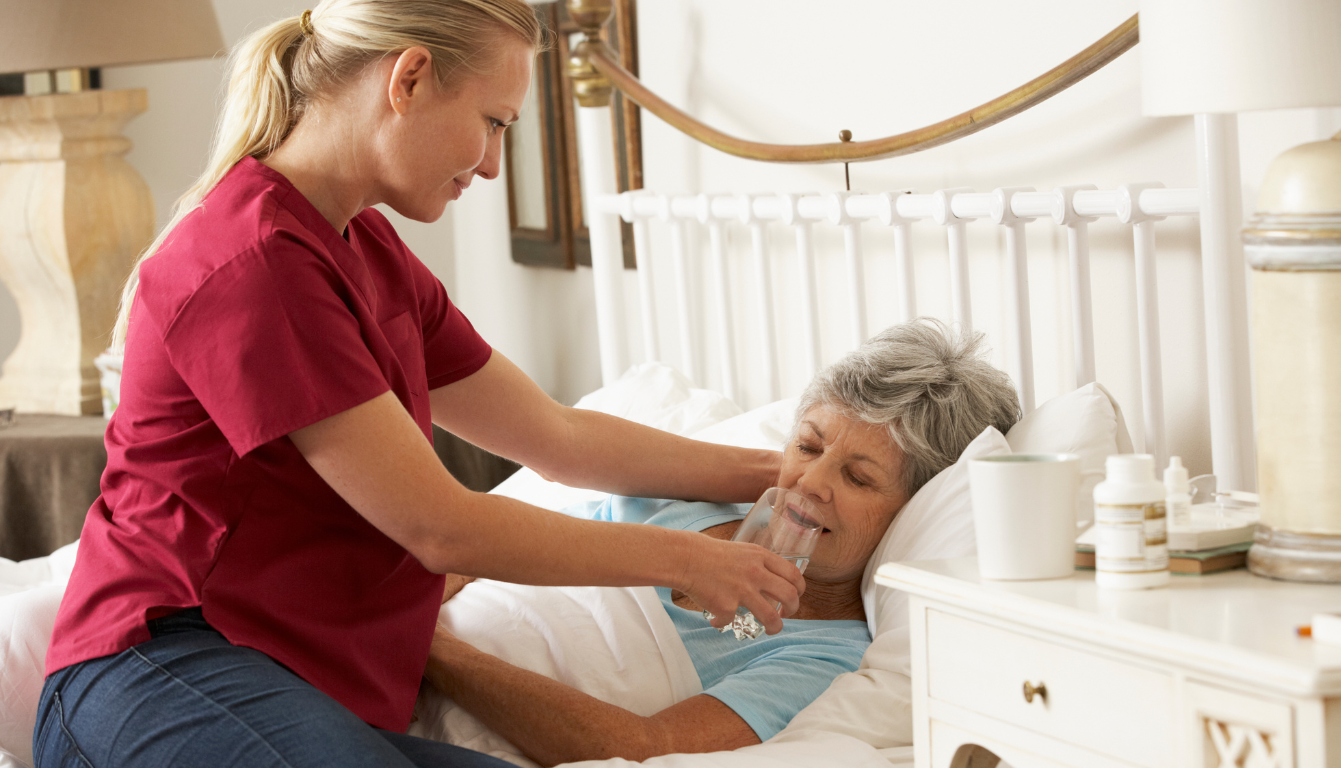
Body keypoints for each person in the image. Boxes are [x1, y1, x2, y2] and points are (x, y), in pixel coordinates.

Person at [32, 3, 805, 768]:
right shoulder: (257, 259)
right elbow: (442, 529)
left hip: (290, 684)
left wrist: (783, 474)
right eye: (495, 122)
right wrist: (687, 560)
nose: (496, 162)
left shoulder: (365, 247)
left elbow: (560, 440)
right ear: (409, 78)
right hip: (161, 666)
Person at [422, 320, 1021, 766]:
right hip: (378, 645)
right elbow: (496, 543)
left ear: (913, 514)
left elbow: (641, 749)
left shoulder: (824, 656)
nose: (808, 483)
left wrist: (433, 651)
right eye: (808, 447)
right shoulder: (680, 502)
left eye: (859, 477)